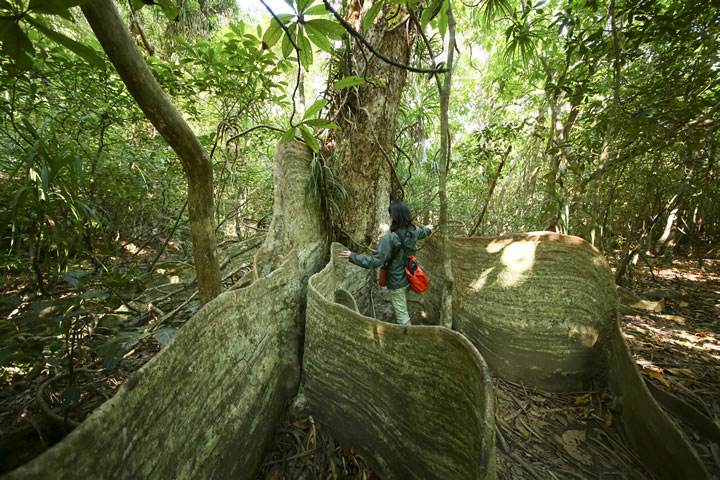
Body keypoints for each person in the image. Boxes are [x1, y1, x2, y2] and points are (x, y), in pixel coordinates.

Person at [339, 201, 432, 326]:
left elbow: (374, 261)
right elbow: (423, 232)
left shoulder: (390, 239)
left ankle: (409, 341)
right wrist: (429, 228)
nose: (390, 218)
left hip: (397, 282)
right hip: (410, 277)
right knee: (403, 309)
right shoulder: (413, 231)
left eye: (391, 215)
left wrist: (352, 256)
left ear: (395, 217)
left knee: (403, 317)